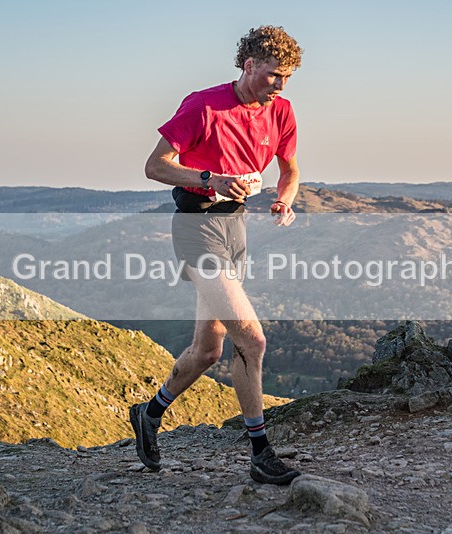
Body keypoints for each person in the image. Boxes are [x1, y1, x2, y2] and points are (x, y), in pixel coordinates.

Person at [129, 25, 303, 485]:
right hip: (195, 226)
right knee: (253, 339)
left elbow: (291, 169)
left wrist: (285, 198)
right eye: (273, 75)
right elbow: (154, 166)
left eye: (287, 77)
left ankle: (148, 414)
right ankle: (260, 453)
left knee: (208, 351)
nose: (280, 85)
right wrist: (210, 178)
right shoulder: (203, 104)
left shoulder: (281, 111)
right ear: (249, 66)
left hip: (234, 227)